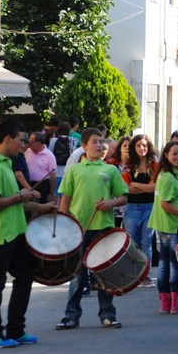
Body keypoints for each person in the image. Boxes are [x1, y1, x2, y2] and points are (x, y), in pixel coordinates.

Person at [0, 119, 56, 348]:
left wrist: (41, 207)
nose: (24, 145)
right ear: (7, 139)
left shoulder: (6, 164)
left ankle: (16, 329)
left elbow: (15, 201)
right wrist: (21, 196)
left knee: (25, 277)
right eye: (21, 140)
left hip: (15, 232)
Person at [56, 128, 129, 330]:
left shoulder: (111, 170)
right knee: (77, 276)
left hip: (103, 228)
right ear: (84, 145)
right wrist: (64, 224)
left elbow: (123, 197)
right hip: (78, 229)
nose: (99, 145)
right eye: (94, 141)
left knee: (104, 274)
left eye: (101, 141)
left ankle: (107, 315)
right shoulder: (74, 170)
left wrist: (110, 203)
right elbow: (65, 199)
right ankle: (71, 316)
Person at [148, 141, 178, 315]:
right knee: (176, 265)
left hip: (164, 224)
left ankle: (165, 302)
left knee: (164, 263)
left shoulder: (164, 173)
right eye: (174, 154)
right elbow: (164, 204)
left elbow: (171, 199)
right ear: (166, 155)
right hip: (173, 225)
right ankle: (175, 302)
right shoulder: (169, 176)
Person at [122, 134, 158, 287]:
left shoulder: (155, 164)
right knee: (132, 244)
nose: (142, 148)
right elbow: (126, 188)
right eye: (138, 145)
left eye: (144, 145)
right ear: (134, 147)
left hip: (149, 207)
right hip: (132, 208)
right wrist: (144, 188)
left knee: (147, 244)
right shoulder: (128, 165)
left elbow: (154, 187)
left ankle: (146, 276)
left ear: (149, 147)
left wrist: (135, 185)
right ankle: (133, 275)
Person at [106, 135, 132, 227]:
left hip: (130, 208)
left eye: (130, 146)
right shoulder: (110, 164)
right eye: (125, 146)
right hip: (113, 207)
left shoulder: (135, 166)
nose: (127, 148)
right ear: (120, 148)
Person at [25, 132, 57, 204]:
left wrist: (51, 193)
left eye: (31, 142)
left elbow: (53, 176)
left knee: (41, 207)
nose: (29, 143)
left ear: (38, 143)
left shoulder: (49, 155)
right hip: (27, 184)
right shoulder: (26, 152)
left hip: (42, 186)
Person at [49, 121, 79, 193]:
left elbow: (50, 155)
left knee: (54, 193)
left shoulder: (54, 140)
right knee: (64, 194)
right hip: (67, 172)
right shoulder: (73, 141)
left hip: (55, 172)